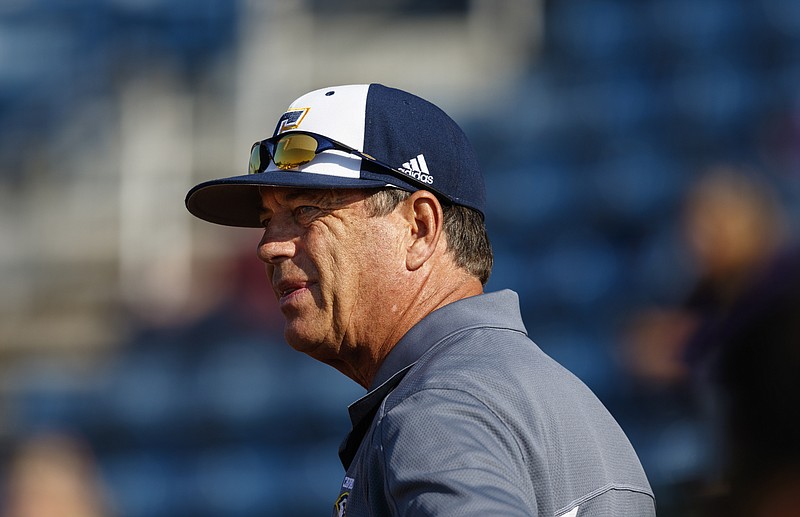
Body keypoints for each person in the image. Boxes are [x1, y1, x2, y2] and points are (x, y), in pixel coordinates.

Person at [185, 83, 655, 516]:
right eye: (268, 218)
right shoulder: (528, 388)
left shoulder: (438, 407)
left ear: (419, 228)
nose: (269, 245)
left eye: (306, 210)